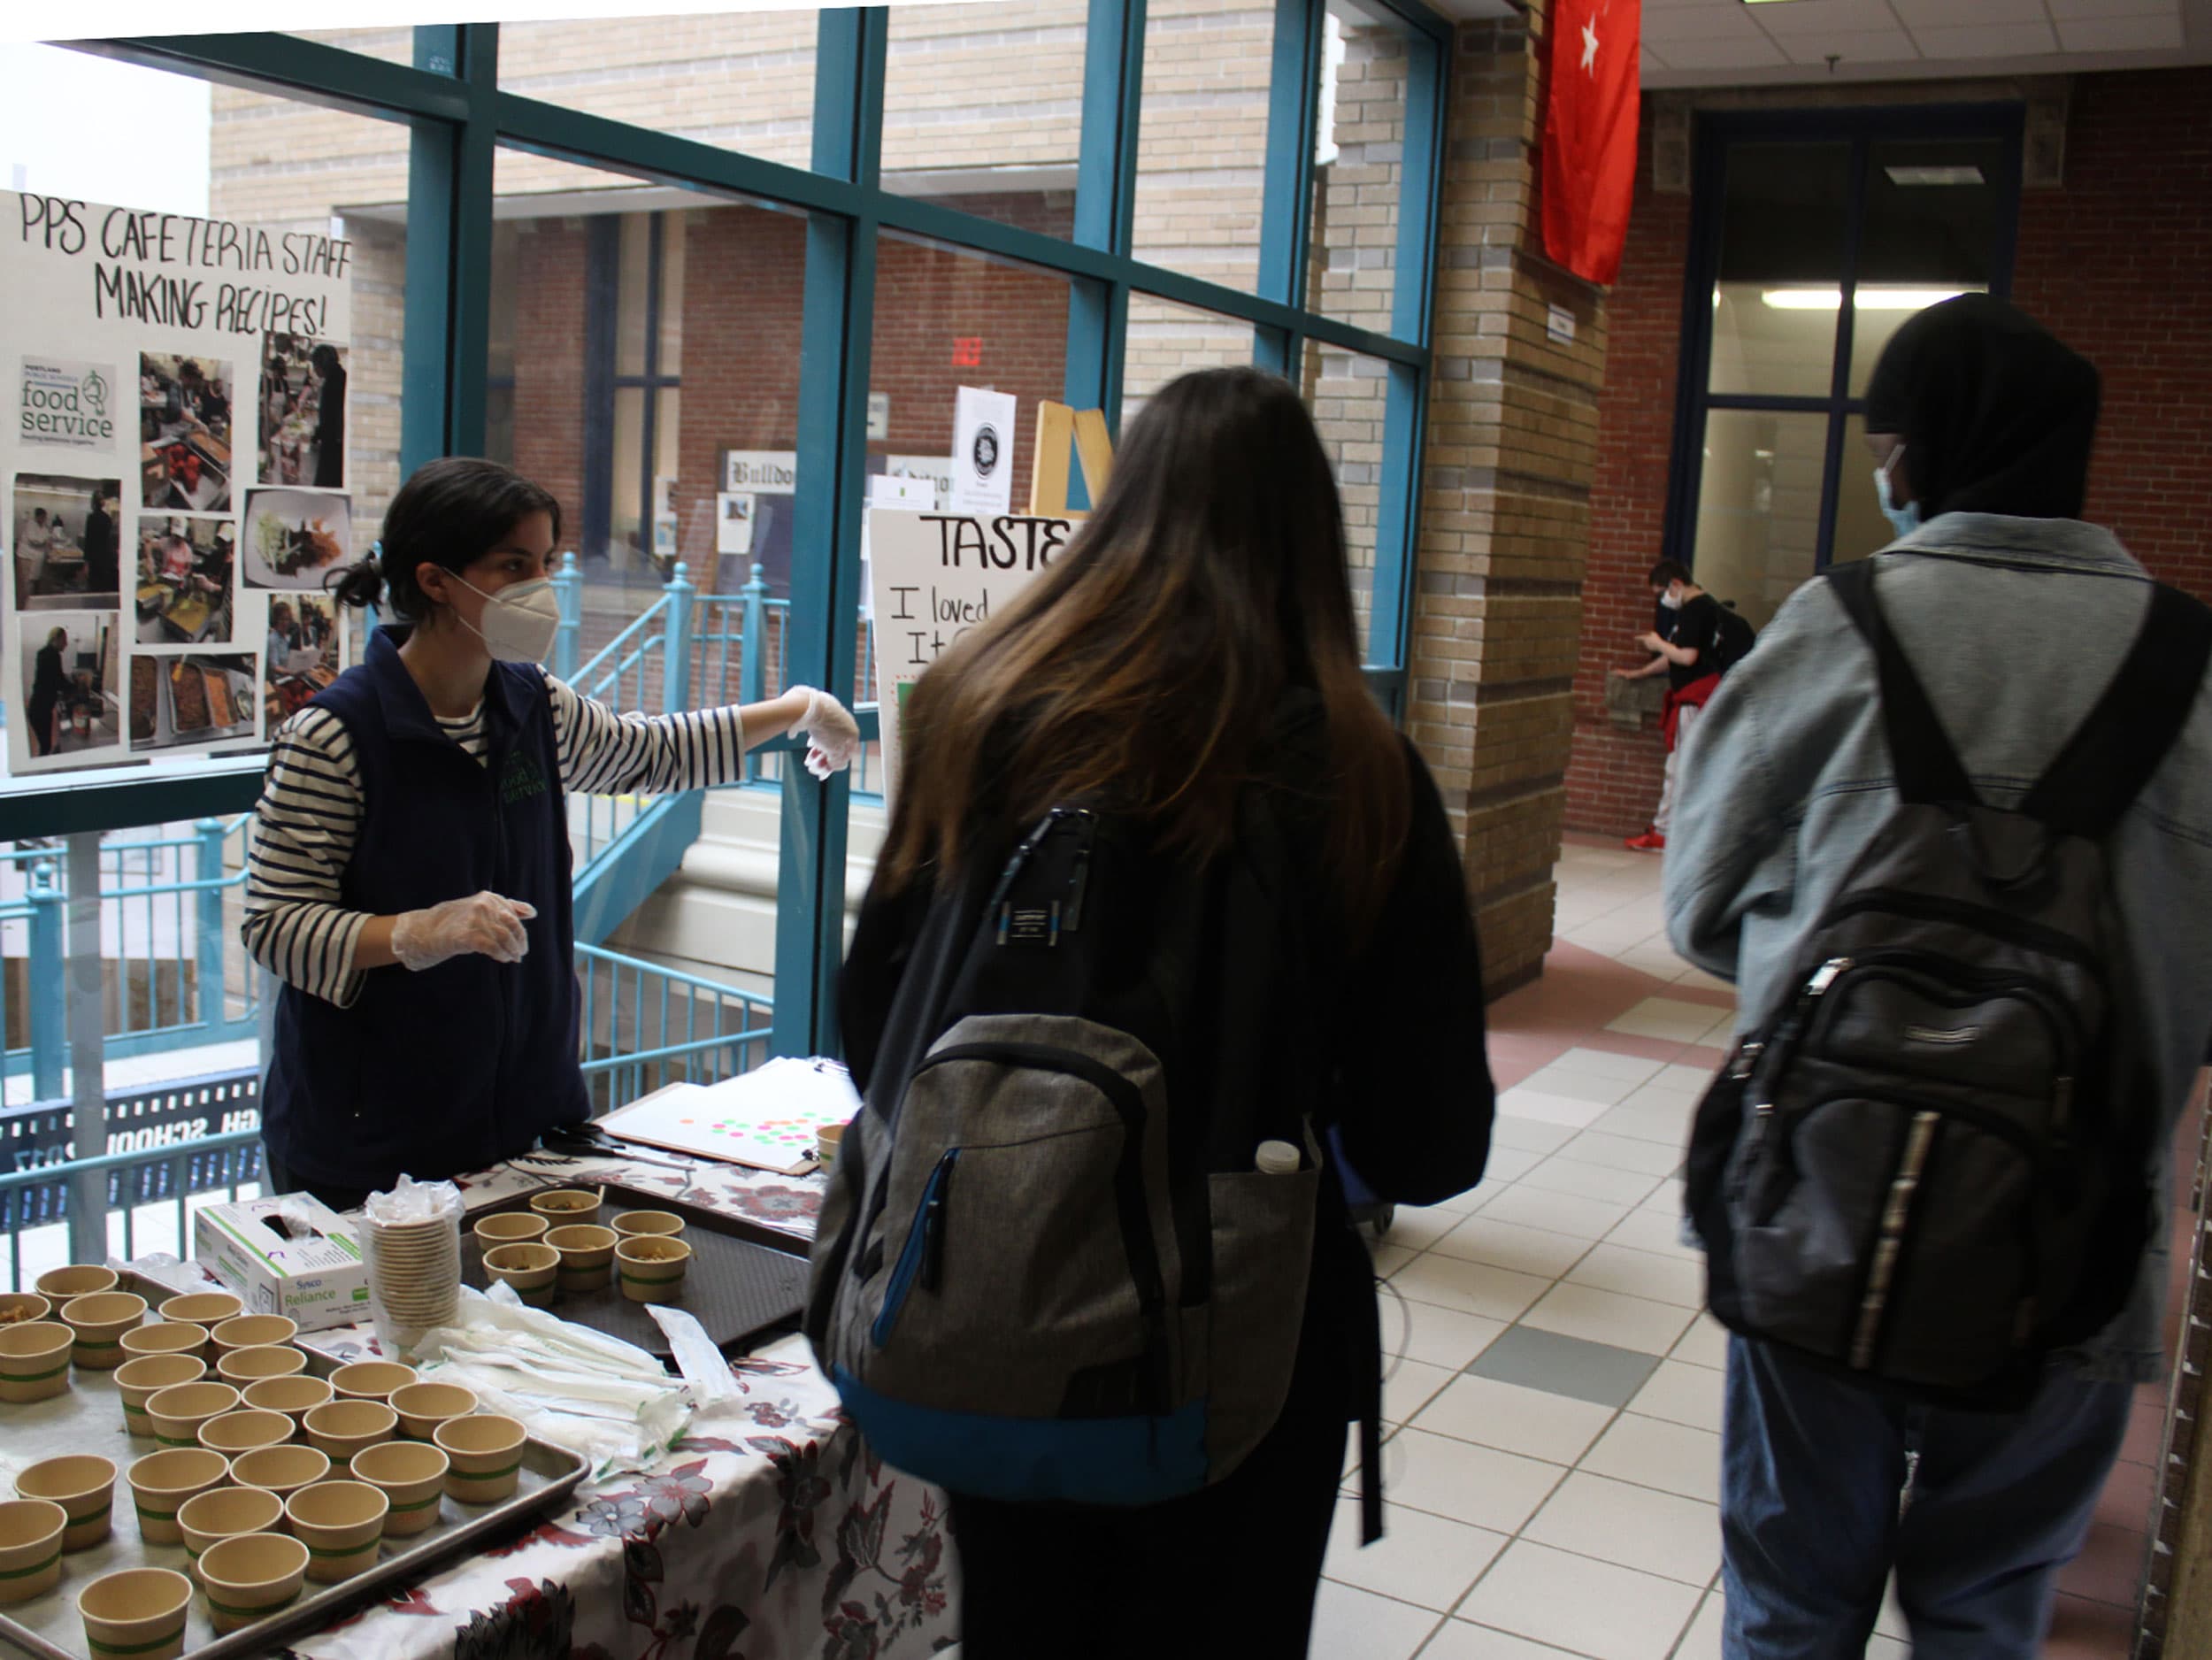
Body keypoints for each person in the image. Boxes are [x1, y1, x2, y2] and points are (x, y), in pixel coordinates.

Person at [836, 367, 1494, 1658]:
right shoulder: (1356, 767)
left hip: (997, 1313)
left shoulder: (983, 708)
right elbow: (1433, 1140)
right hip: (1244, 1356)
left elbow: (875, 1028)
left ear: (1120, 507)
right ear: (1312, 538)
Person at [1663, 294, 2212, 1658]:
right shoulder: (2194, 667)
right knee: (1985, 1617)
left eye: (1885, 445)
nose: (1882, 474)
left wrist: (1834, 978)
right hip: (2075, 1241)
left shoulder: (1835, 623)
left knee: (1791, 1607)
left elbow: (1699, 904)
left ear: (1923, 456)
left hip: (1820, 1210)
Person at [242, 456, 863, 1210]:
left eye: (545, 562)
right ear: (437, 580)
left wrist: (795, 709)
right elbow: (275, 925)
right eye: (514, 565)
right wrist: (416, 932)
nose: (542, 587)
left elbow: (649, 750)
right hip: (372, 1138)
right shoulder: (335, 736)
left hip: (523, 1118)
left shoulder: (531, 703)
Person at [1614, 557, 1722, 852]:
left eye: (1662, 592)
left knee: (1679, 767)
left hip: (1694, 698)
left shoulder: (1696, 610)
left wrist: (1657, 643)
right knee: (1683, 766)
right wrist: (1639, 673)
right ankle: (1673, 829)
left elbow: (1685, 656)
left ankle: (1665, 831)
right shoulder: (1702, 608)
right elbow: (1673, 656)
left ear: (1676, 584)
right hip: (1695, 696)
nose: (1663, 600)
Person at [27, 626, 68, 757]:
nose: (66, 644)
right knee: (45, 746)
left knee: (45, 744)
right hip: (41, 710)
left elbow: (54, 678)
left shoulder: (44, 653)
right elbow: (58, 680)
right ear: (56, 639)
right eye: (64, 640)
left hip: (37, 708)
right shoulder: (53, 655)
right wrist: (75, 687)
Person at [311, 344, 345, 488]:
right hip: (337, 442)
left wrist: (316, 435)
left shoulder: (332, 383)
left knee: (326, 484)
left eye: (315, 365)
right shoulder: (341, 376)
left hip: (333, 444)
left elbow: (329, 418)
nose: (314, 369)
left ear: (321, 365)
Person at [82, 489, 117, 596]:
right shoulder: (107, 519)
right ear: (103, 502)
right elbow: (110, 540)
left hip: (94, 561)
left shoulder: (91, 518)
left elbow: (88, 541)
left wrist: (86, 563)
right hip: (106, 560)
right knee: (104, 590)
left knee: (94, 590)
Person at [265, 601, 298, 670]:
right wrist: (291, 672)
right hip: (279, 679)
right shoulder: (272, 639)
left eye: (287, 619)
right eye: (281, 619)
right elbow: (274, 666)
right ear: (276, 620)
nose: (285, 623)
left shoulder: (288, 638)